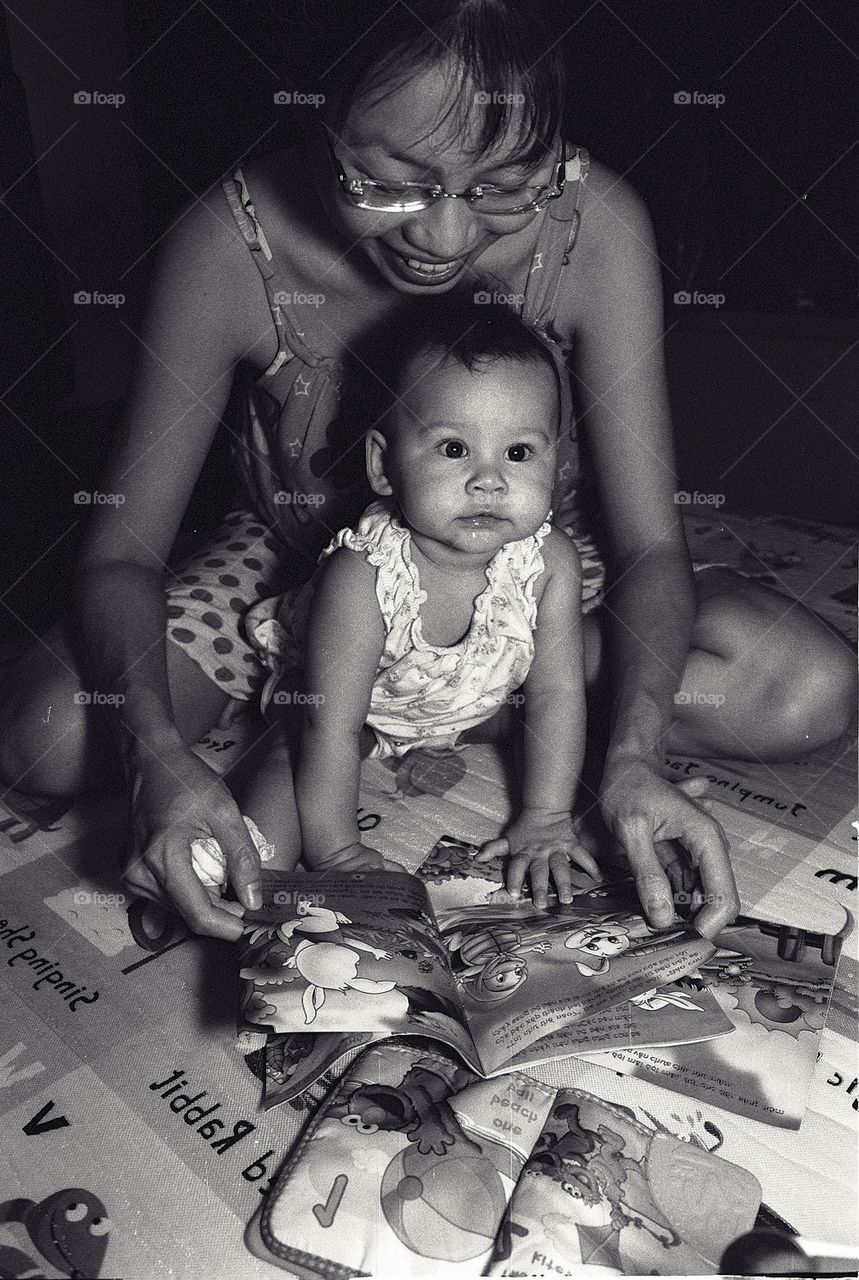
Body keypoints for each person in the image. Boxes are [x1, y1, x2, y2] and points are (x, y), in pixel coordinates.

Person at [0, 0, 852, 943]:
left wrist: (632, 753)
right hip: (297, 560)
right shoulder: (228, 242)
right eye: (389, 181)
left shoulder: (594, 224)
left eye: (503, 187)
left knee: (804, 690)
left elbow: (651, 542)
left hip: (517, 578)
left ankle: (456, 703)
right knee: (50, 735)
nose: (444, 240)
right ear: (315, 122)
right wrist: (156, 751)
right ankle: (338, 701)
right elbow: (121, 552)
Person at [234, 294, 599, 909]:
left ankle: (459, 739)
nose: (490, 479)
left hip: (471, 696)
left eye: (519, 453)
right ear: (385, 466)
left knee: (581, 692)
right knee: (275, 813)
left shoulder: (548, 561)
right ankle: (236, 854)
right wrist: (338, 852)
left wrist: (544, 814)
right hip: (354, 708)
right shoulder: (364, 576)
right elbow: (333, 722)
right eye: (454, 449)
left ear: (557, 465)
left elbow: (557, 692)